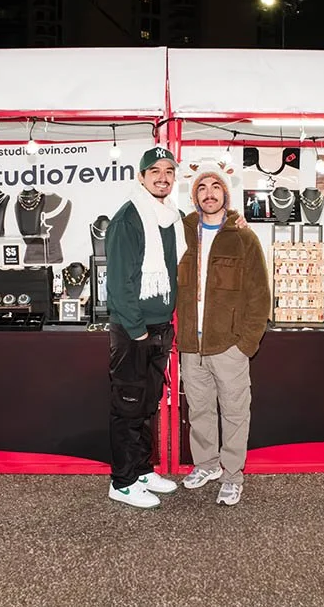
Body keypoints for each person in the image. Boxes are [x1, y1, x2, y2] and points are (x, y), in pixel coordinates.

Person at [176, 161, 271, 506]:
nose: (209, 193)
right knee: (199, 410)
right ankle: (206, 465)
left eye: (215, 187)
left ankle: (232, 476)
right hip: (191, 344)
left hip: (228, 345)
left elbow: (260, 295)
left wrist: (245, 344)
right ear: (195, 196)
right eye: (202, 188)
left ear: (226, 195)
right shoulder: (181, 232)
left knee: (234, 412)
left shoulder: (243, 237)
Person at [104, 145, 185, 509]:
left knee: (148, 404)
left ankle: (141, 470)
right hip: (134, 331)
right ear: (141, 176)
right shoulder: (128, 219)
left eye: (168, 171)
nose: (163, 177)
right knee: (128, 406)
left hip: (160, 328)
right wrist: (138, 331)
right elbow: (119, 282)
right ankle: (121, 482)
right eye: (155, 171)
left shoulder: (171, 217)